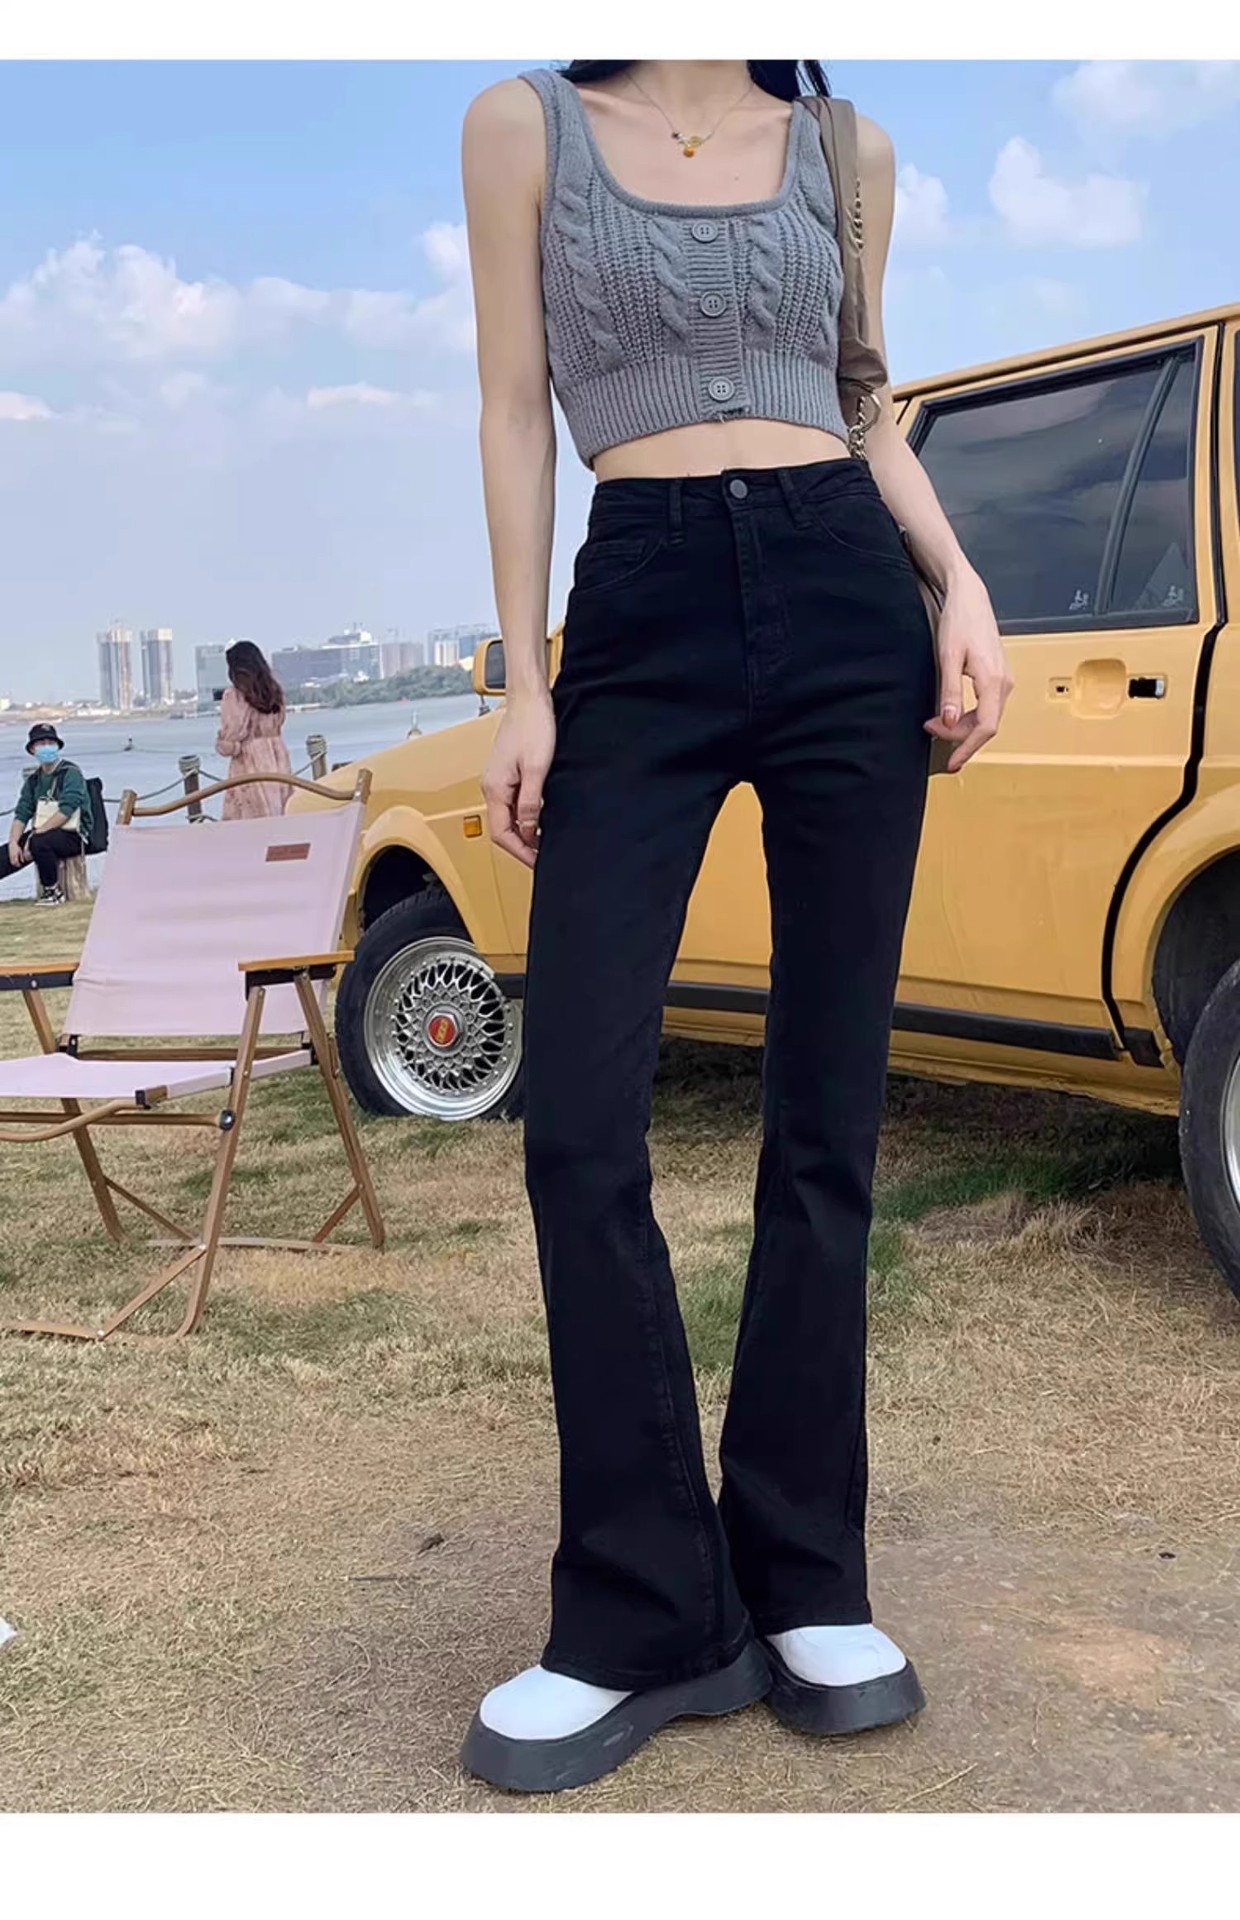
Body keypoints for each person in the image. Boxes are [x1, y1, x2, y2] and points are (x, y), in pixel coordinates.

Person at [460, 59, 1013, 1793]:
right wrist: (526, 682)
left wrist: (961, 584)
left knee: (826, 1112)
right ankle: (643, 1613)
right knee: (576, 1123)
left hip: (848, 591)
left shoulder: (848, 147)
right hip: (638, 601)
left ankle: (804, 1574)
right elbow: (509, 407)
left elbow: (863, 400)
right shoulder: (523, 126)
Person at [1, 724, 93, 906]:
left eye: (50, 742)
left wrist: (35, 834)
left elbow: (66, 811)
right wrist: (13, 843)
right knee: (7, 854)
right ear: (32, 749)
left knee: (38, 842)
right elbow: (22, 813)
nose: (46, 746)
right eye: (41, 743)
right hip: (45, 831)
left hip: (75, 834)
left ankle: (52, 891)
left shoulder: (70, 773)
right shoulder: (34, 780)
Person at [214, 642, 293, 819]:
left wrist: (223, 744)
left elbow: (232, 735)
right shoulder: (274, 691)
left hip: (249, 761)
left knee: (250, 822)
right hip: (277, 756)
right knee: (281, 813)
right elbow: (279, 722)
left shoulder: (234, 695)